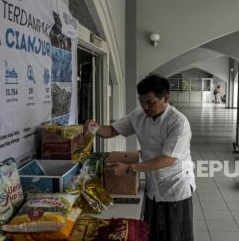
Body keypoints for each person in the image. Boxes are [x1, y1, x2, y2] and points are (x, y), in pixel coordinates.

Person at [83, 74, 195, 241]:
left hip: (175, 185)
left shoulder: (178, 122)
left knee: (176, 234)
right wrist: (94, 128)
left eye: (150, 102)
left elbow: (168, 159)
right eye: (141, 102)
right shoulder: (139, 115)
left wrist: (129, 168)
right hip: (153, 184)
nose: (145, 107)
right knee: (152, 232)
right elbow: (112, 131)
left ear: (165, 98)